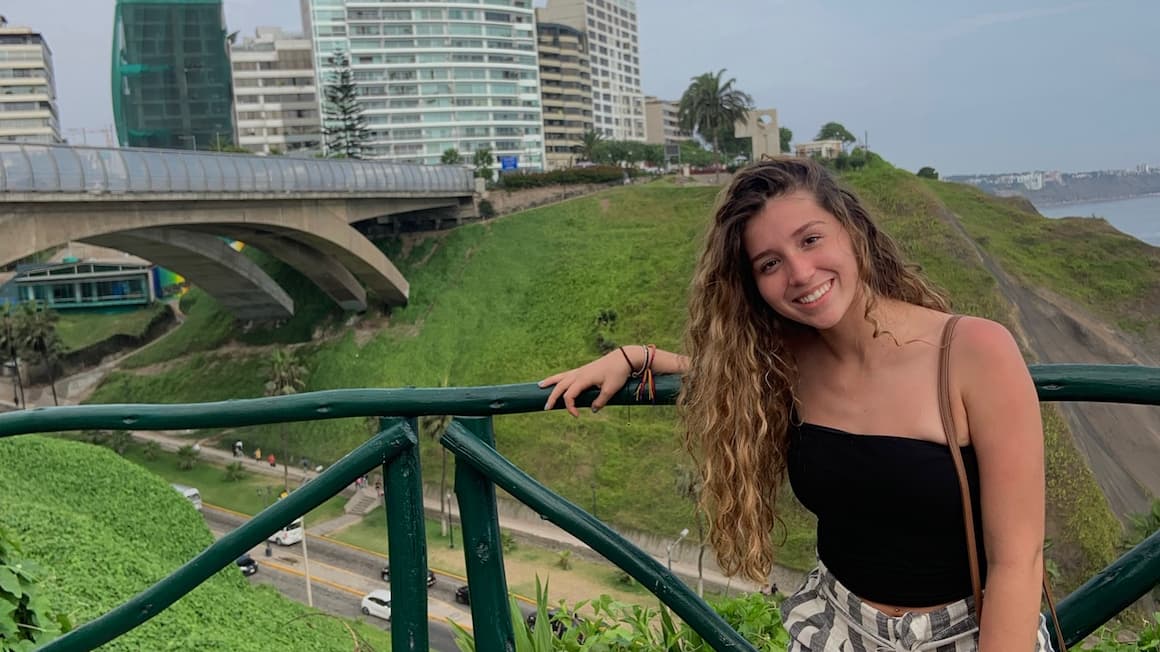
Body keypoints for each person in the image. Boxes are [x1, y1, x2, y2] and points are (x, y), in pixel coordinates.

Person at [540, 157, 1052, 651]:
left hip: (967, 633)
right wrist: (637, 357)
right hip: (835, 628)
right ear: (754, 286)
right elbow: (721, 370)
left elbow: (1018, 562)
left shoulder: (974, 352)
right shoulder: (786, 364)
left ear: (851, 230)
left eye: (811, 239)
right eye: (770, 264)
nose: (801, 273)